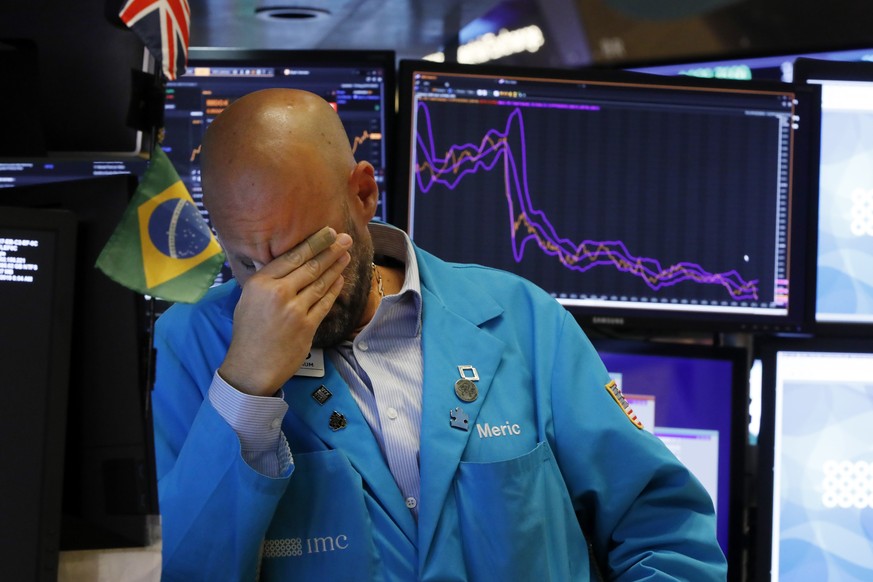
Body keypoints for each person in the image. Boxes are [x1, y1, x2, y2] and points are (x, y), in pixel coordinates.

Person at [152, 88, 727, 581]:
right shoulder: (197, 347)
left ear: (362, 194)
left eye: (304, 254)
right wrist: (247, 383)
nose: (278, 291)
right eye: (249, 264)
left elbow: (663, 529)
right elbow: (196, 568)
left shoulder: (520, 318)